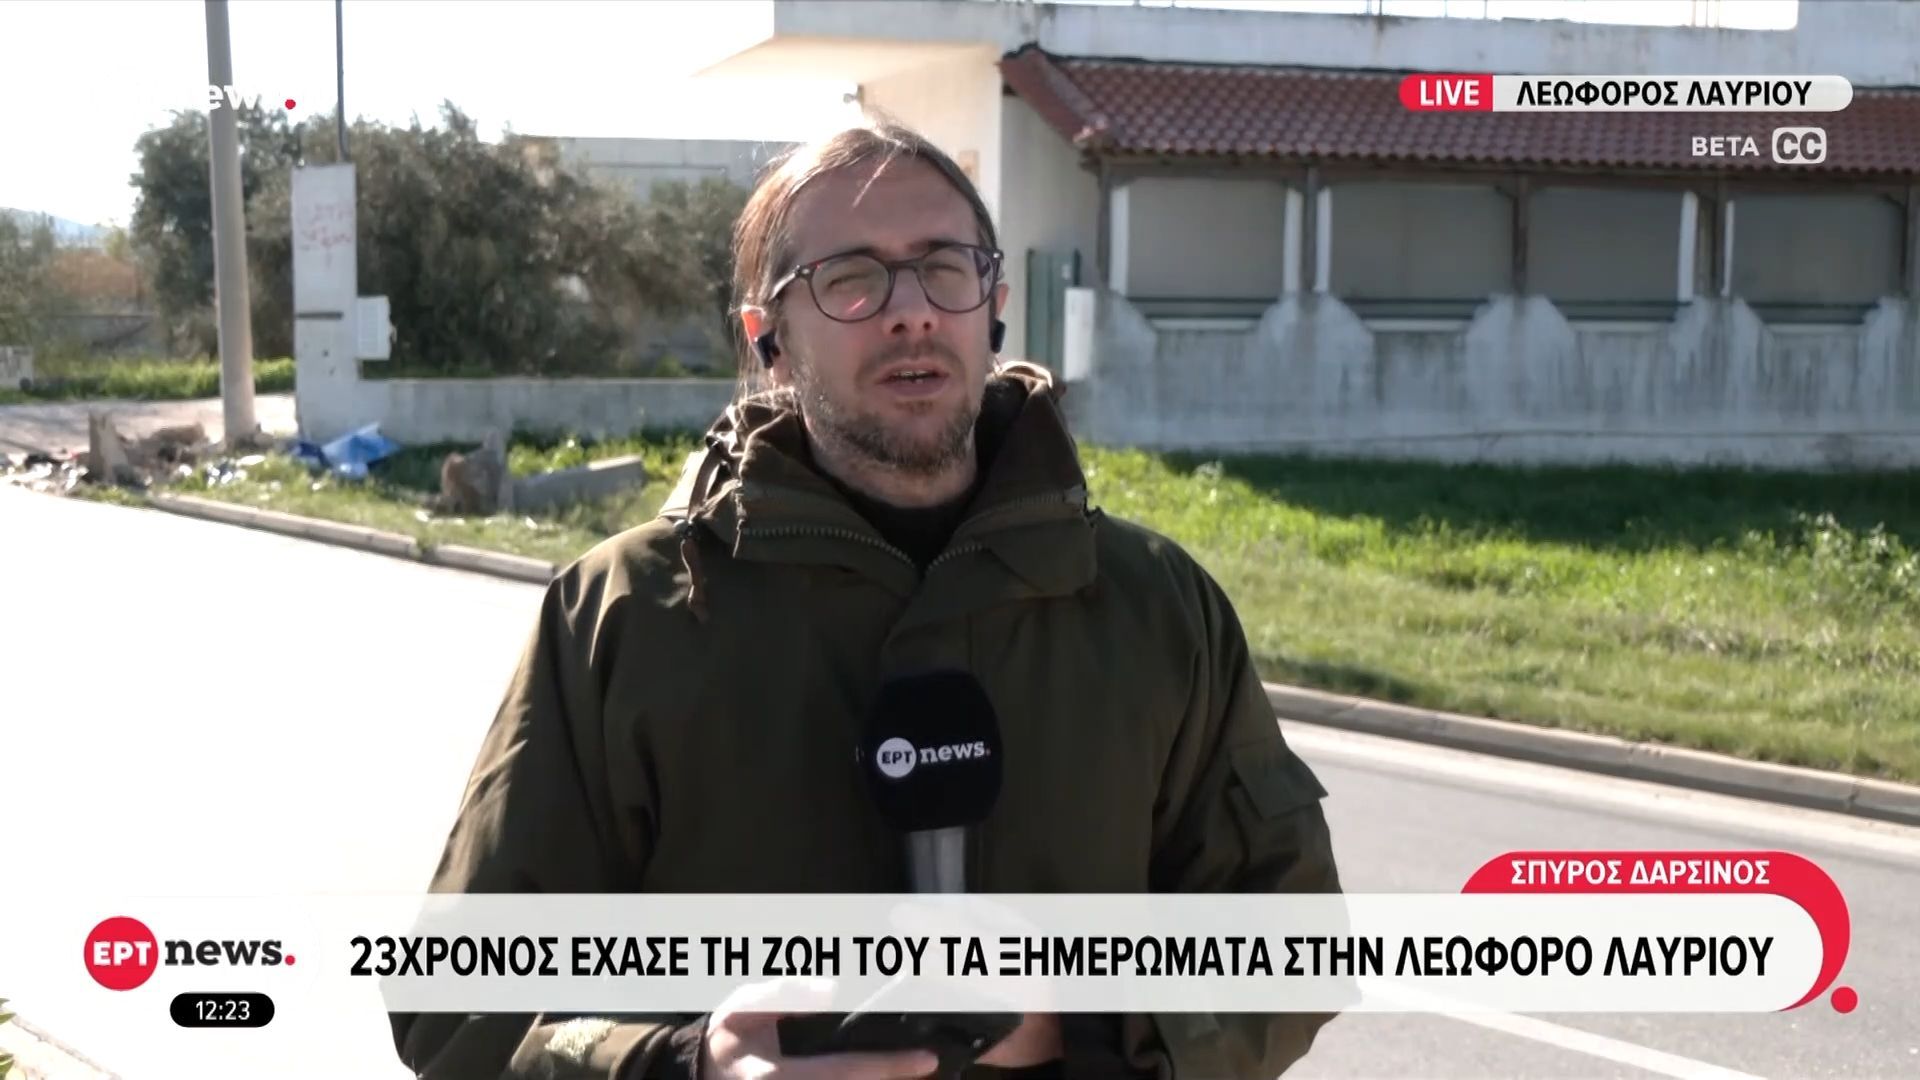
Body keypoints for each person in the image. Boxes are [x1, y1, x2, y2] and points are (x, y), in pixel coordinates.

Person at [390, 115, 1344, 1080]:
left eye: (944, 268)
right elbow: (460, 1004)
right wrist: (684, 1062)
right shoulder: (625, 616)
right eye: (851, 279)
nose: (912, 312)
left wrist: (1088, 1023)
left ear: (994, 307)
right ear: (769, 339)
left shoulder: (1158, 608)